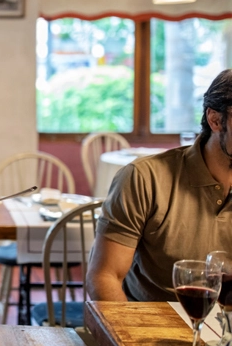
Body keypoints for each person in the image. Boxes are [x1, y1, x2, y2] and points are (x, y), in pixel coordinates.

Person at [88, 69, 232, 302]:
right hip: (153, 326)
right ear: (215, 120)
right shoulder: (144, 179)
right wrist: (128, 335)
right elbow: (105, 277)